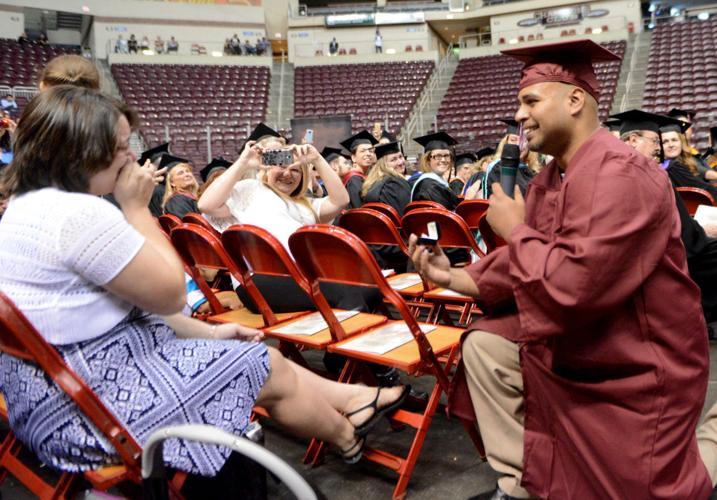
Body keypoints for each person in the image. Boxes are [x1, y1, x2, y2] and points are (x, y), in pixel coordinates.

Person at [0, 86, 409, 490]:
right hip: (89, 409)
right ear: (81, 151)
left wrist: (212, 331)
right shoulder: (79, 215)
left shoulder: (25, 209)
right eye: (122, 145)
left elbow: (132, 311)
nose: (131, 156)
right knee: (259, 365)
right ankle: (346, 426)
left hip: (45, 395)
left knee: (260, 356)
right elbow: (171, 295)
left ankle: (352, 411)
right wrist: (138, 208)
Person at [410, 40, 712, 499]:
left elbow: (575, 283)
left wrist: (514, 229)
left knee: (661, 487)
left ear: (574, 100)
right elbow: (531, 261)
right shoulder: (553, 178)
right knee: (487, 346)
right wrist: (453, 277)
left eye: (530, 101)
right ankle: (523, 485)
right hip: (586, 339)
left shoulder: (623, 174)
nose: (519, 115)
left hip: (636, 357)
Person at [615, 110, 717, 326]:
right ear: (633, 140)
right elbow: (688, 239)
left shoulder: (617, 172)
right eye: (655, 141)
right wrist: (703, 230)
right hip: (669, 262)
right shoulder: (653, 176)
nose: (658, 148)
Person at [410, 131, 461, 210]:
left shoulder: (437, 182)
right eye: (438, 156)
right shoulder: (430, 186)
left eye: (447, 155)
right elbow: (445, 215)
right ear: (427, 159)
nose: (443, 160)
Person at [361, 141, 411, 216]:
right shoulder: (395, 184)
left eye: (401, 157)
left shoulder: (372, 183)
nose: (400, 162)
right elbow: (406, 215)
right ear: (383, 164)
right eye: (393, 160)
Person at [339, 130, 378, 209]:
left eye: (371, 151)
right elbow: (359, 209)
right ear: (353, 158)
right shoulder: (354, 179)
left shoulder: (365, 176)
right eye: (363, 151)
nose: (368, 154)